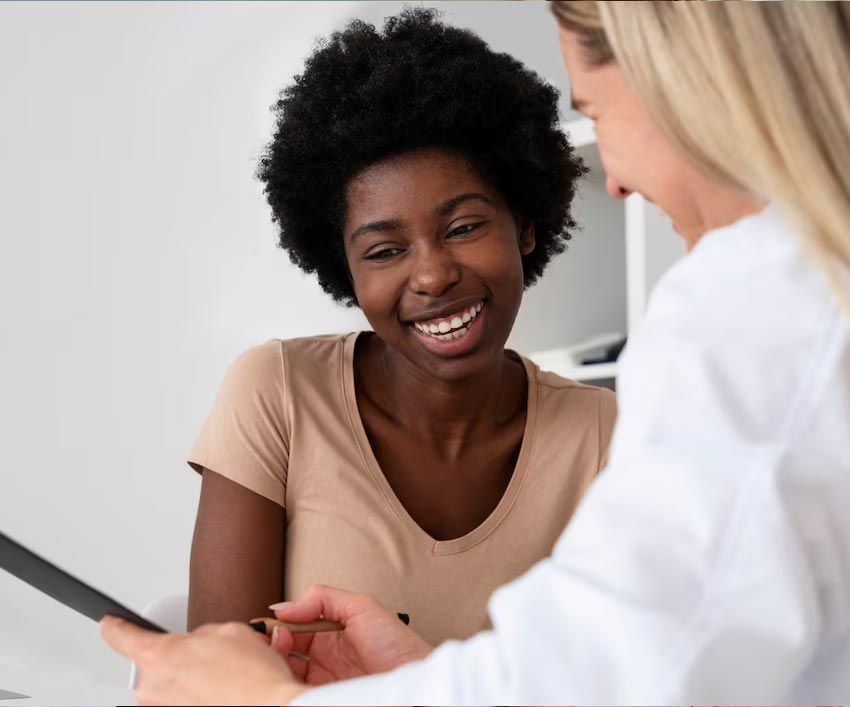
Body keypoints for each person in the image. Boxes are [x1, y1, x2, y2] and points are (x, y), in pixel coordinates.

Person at [101, 1, 850, 703]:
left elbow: (625, 668)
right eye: (386, 248)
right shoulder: (780, 300)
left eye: (594, 112)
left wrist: (280, 700)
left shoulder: (746, 312)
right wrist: (419, 675)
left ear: (677, 89)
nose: (614, 181)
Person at [183, 6, 615, 649]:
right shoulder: (277, 393)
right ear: (345, 270)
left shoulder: (603, 435)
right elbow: (223, 676)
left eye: (463, 228)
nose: (434, 276)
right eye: (385, 251)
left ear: (524, 225)